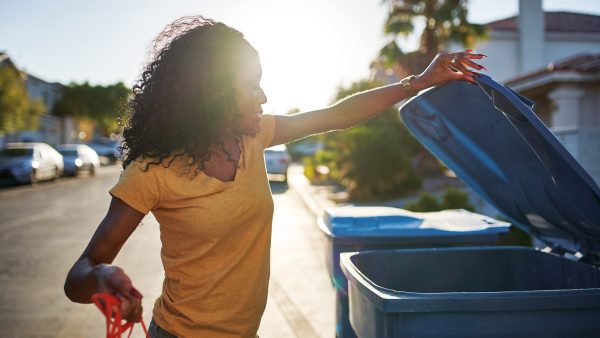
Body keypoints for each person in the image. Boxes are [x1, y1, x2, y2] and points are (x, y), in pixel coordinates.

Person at [64, 15, 484, 338]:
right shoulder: (152, 171)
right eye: (250, 85)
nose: (263, 96)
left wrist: (419, 81)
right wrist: (102, 278)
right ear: (209, 95)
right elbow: (80, 272)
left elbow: (336, 115)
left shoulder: (252, 136)